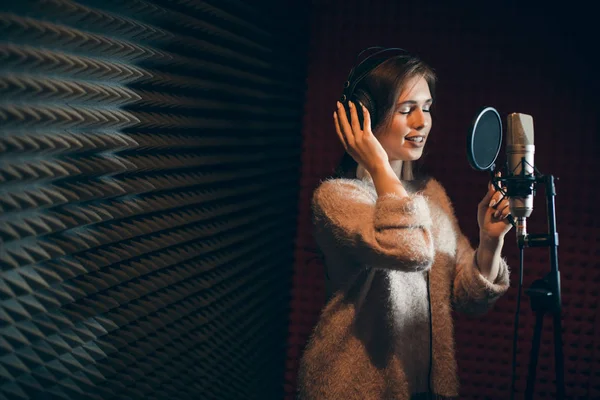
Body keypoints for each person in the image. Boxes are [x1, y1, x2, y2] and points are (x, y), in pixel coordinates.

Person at [297, 50, 512, 399]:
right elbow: (411, 252)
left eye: (426, 107)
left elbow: (469, 298)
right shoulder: (338, 199)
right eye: (405, 109)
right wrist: (379, 166)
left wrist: (490, 242)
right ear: (366, 117)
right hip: (351, 388)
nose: (422, 122)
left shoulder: (432, 195)